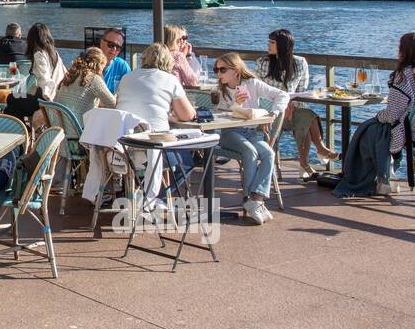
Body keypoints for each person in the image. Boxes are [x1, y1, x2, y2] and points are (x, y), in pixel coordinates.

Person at [335, 33, 415, 198]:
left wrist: (378, 116)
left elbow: (392, 114)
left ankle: (380, 178)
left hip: (408, 133)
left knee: (366, 131)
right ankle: (386, 175)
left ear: (406, 51)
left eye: (399, 47)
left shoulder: (404, 76)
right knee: (374, 129)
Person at [209, 52, 289, 225]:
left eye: (222, 69)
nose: (218, 74)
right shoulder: (219, 90)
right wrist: (236, 105)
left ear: (236, 70)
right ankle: (247, 200)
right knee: (250, 151)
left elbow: (283, 95)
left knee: (268, 153)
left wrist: (274, 112)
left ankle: (257, 199)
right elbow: (218, 115)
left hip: (251, 133)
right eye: (216, 69)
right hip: (229, 133)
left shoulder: (252, 84)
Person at [257, 28, 337, 178]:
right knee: (307, 118)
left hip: (291, 109)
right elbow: (260, 92)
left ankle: (311, 157)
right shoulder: (263, 63)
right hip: (269, 111)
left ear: (282, 45)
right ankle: (314, 156)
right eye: (269, 42)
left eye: (272, 42)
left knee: (308, 116)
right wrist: (281, 103)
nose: (268, 45)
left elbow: (301, 90)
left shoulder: (300, 63)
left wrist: (290, 104)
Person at [114, 43, 195, 134]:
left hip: (124, 138)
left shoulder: (126, 78)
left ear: (144, 59)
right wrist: (172, 117)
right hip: (154, 139)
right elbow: (187, 116)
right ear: (168, 61)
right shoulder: (170, 79)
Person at [4, 22, 65, 121]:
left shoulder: (39, 54)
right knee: (12, 107)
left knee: (11, 98)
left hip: (45, 100)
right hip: (57, 98)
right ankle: (22, 129)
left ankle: (21, 129)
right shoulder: (54, 54)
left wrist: (46, 101)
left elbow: (45, 79)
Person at [57, 47, 116, 120]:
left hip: (61, 125)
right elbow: (112, 104)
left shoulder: (70, 75)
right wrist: (116, 96)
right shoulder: (94, 79)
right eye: (103, 67)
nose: (102, 71)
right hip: (80, 128)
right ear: (99, 64)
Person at [98, 28, 130, 93]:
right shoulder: (88, 64)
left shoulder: (122, 66)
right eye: (111, 44)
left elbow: (129, 92)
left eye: (118, 47)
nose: (114, 49)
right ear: (101, 43)